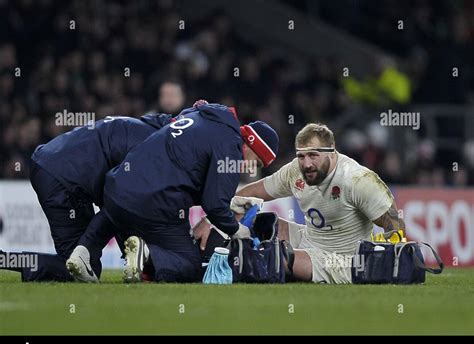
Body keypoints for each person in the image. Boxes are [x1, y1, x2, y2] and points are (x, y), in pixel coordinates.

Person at [66, 102, 279, 283]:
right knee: (190, 263)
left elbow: (189, 170)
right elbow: (213, 204)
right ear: (251, 144)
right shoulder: (231, 148)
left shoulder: (202, 116)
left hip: (118, 182)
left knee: (114, 213)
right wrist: (236, 229)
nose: (252, 168)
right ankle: (147, 254)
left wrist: (228, 204)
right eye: (257, 161)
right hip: (155, 201)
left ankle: (83, 251)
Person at [194, 123, 405, 284]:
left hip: (340, 259)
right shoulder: (296, 170)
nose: (306, 164)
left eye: (313, 155)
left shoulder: (357, 180)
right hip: (310, 238)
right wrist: (211, 218)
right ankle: (203, 260)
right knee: (256, 221)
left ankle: (223, 270)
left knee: (275, 259)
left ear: (332, 151)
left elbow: (395, 225)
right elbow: (253, 192)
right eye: (301, 156)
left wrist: (385, 250)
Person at [0, 113, 172, 281]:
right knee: (79, 268)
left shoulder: (145, 127)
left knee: (84, 262)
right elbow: (120, 205)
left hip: (53, 166)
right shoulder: (152, 152)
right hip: (63, 179)